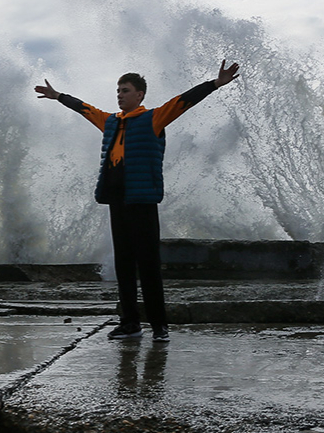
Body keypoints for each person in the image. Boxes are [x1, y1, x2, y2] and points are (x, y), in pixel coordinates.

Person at [35, 61, 240, 342]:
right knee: (123, 264)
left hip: (142, 201)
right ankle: (130, 323)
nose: (119, 95)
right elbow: (85, 109)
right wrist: (59, 96)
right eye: (118, 90)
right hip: (117, 201)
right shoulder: (110, 121)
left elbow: (184, 101)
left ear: (140, 95)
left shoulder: (153, 118)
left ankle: (159, 326)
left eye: (125, 90)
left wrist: (215, 84)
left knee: (148, 266)